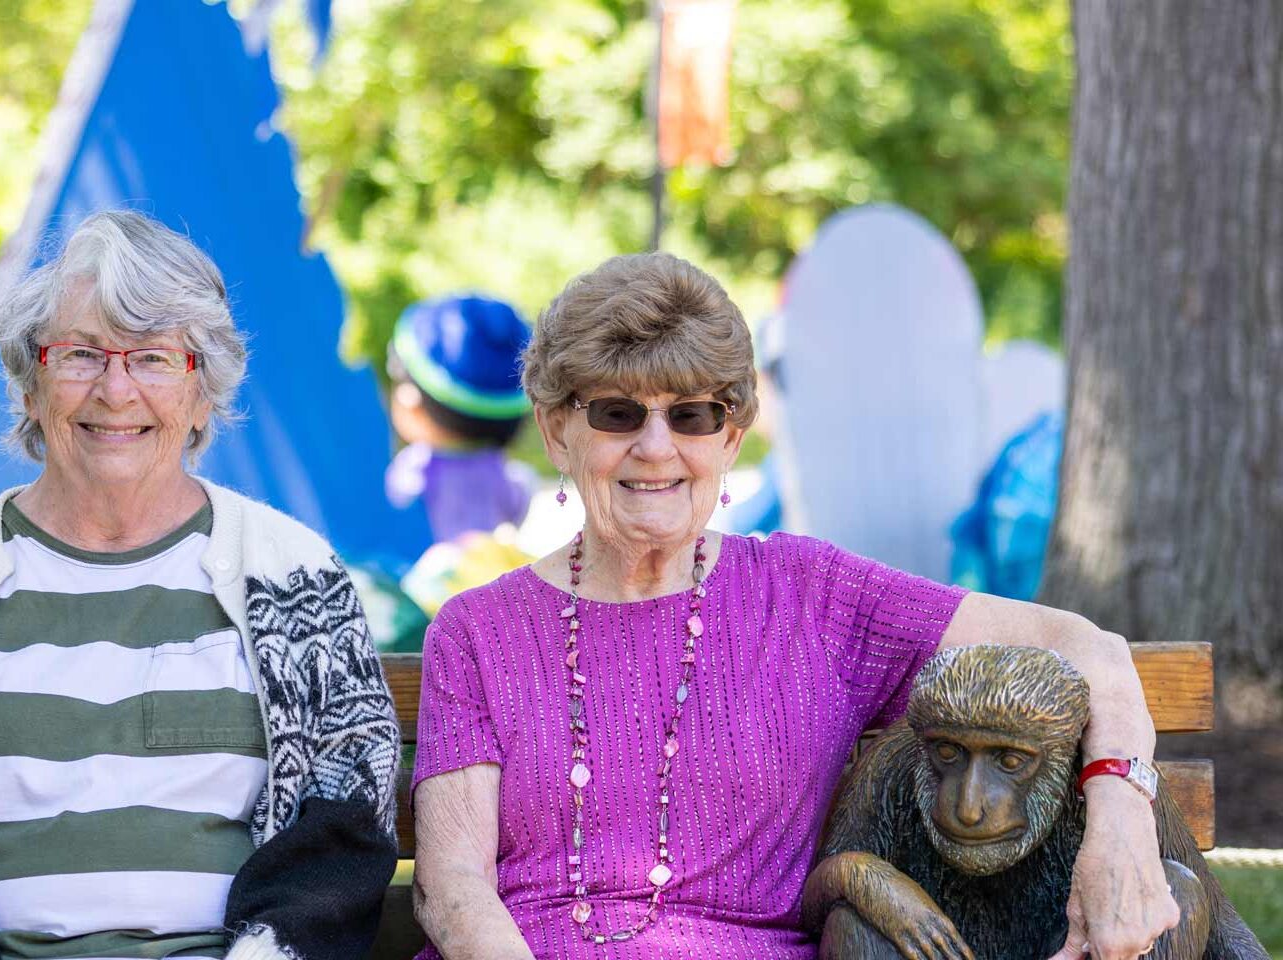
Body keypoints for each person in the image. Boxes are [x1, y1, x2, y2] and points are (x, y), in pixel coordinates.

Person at [410, 253, 1178, 959]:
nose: (656, 446)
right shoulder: (479, 632)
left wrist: (1122, 827)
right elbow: (451, 889)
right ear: (557, 430)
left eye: (692, 415)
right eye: (617, 413)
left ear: (731, 438)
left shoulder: (816, 597)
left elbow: (1089, 650)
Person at [0, 210, 400, 960]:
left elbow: (348, 809)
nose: (116, 391)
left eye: (153, 358)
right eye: (81, 354)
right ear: (30, 385)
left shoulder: (294, 576)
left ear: (202, 390)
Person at [384, 293, 540, 626]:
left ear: (412, 402)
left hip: (436, 589)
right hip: (498, 572)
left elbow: (399, 499)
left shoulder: (418, 466)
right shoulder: (504, 469)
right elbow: (518, 501)